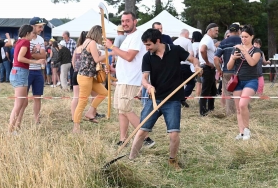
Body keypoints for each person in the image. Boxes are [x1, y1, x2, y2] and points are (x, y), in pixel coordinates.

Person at [128, 28, 201, 169]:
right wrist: (148, 86)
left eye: (148, 45)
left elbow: (193, 59)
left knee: (174, 134)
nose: (146, 48)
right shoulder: (147, 56)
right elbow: (144, 78)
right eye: (145, 45)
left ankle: (172, 161)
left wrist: (197, 66)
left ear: (158, 41)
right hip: (154, 99)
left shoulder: (175, 50)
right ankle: (131, 159)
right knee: (142, 131)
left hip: (173, 100)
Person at [104, 11, 155, 147]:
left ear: (135, 21)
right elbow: (127, 59)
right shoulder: (128, 37)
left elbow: (129, 56)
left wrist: (112, 47)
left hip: (131, 80)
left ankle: (146, 138)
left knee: (126, 109)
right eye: (122, 21)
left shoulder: (138, 36)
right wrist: (114, 70)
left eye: (127, 21)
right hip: (123, 79)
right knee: (121, 110)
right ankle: (123, 139)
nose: (124, 23)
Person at [8, 25, 45, 134]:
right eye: (33, 33)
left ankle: (16, 128)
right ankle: (10, 131)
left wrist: (32, 53)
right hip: (20, 72)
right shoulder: (25, 42)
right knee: (18, 104)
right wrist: (36, 62)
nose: (34, 36)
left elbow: (21, 56)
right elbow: (20, 58)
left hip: (18, 72)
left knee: (22, 103)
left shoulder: (20, 42)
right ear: (28, 33)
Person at [227, 25, 262, 140]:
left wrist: (244, 51)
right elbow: (228, 66)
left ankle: (247, 130)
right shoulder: (236, 49)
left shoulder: (257, 51)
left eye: (246, 37)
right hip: (237, 81)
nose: (243, 39)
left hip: (251, 80)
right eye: (242, 37)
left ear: (252, 37)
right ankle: (241, 132)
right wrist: (233, 58)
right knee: (238, 108)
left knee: (243, 104)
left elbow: (252, 63)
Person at [72, 25, 109, 133]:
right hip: (85, 76)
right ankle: (76, 127)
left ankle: (90, 112)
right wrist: (109, 54)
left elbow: (93, 58)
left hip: (87, 76)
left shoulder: (86, 41)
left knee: (104, 92)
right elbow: (97, 59)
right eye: (101, 35)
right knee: (82, 101)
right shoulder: (91, 42)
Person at [23, 17, 47, 124]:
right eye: (39, 26)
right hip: (26, 71)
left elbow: (44, 56)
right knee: (23, 99)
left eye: (42, 26)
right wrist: (35, 56)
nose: (41, 29)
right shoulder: (25, 39)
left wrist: (32, 55)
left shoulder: (40, 39)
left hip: (38, 71)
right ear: (32, 26)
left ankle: (37, 119)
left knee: (38, 97)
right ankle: (19, 118)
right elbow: (24, 56)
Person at [214, 23, 242, 115]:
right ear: (238, 31)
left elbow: (215, 58)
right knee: (241, 92)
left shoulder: (223, 42)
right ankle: (241, 112)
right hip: (240, 71)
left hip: (226, 71)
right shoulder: (243, 41)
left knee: (228, 93)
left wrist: (219, 70)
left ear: (229, 31)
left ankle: (230, 114)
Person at [199, 23, 219, 116]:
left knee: (213, 90)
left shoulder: (208, 39)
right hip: (207, 68)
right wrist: (207, 62)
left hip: (209, 68)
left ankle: (211, 109)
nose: (217, 32)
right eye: (216, 30)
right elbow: (203, 50)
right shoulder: (207, 39)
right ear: (210, 30)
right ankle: (203, 111)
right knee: (206, 90)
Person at [173, 29, 194, 108]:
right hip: (185, 65)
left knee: (179, 84)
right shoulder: (188, 41)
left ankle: (178, 99)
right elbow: (191, 53)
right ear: (186, 34)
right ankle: (183, 97)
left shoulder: (174, 42)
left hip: (176, 65)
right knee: (191, 83)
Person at [192, 31, 203, 97]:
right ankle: (200, 96)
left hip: (194, 66)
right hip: (201, 65)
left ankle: (197, 96)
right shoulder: (202, 44)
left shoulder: (192, 45)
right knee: (200, 82)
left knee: (198, 83)